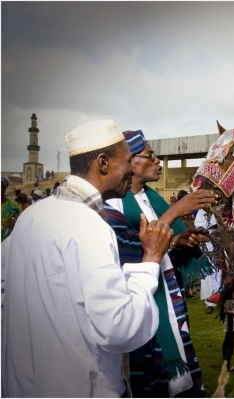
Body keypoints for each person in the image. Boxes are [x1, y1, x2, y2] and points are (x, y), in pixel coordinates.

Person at [2, 119, 173, 397]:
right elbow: (120, 326)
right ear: (103, 163)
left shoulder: (31, 216)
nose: (132, 169)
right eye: (128, 160)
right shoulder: (90, 226)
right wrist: (151, 259)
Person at [105, 129, 218, 397]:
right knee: (148, 376)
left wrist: (178, 241)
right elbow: (133, 248)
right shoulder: (113, 204)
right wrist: (178, 209)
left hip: (168, 295)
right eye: (150, 155)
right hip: (140, 302)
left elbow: (159, 244)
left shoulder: (150, 199)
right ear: (131, 162)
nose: (158, 161)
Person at [1, 177, 20, 242]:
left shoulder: (14, 205)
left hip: (5, 241)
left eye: (2, 187)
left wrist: (16, 223)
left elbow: (21, 221)